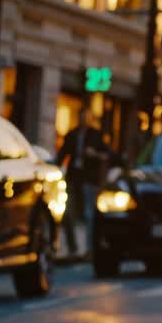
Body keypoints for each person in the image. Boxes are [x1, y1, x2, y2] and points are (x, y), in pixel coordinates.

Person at [56, 105, 112, 259]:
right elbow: (62, 154)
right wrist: (54, 169)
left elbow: (108, 154)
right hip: (73, 177)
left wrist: (95, 154)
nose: (83, 120)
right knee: (67, 211)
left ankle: (89, 249)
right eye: (81, 117)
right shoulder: (72, 135)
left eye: (86, 117)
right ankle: (72, 247)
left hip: (90, 178)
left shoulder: (97, 135)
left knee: (89, 214)